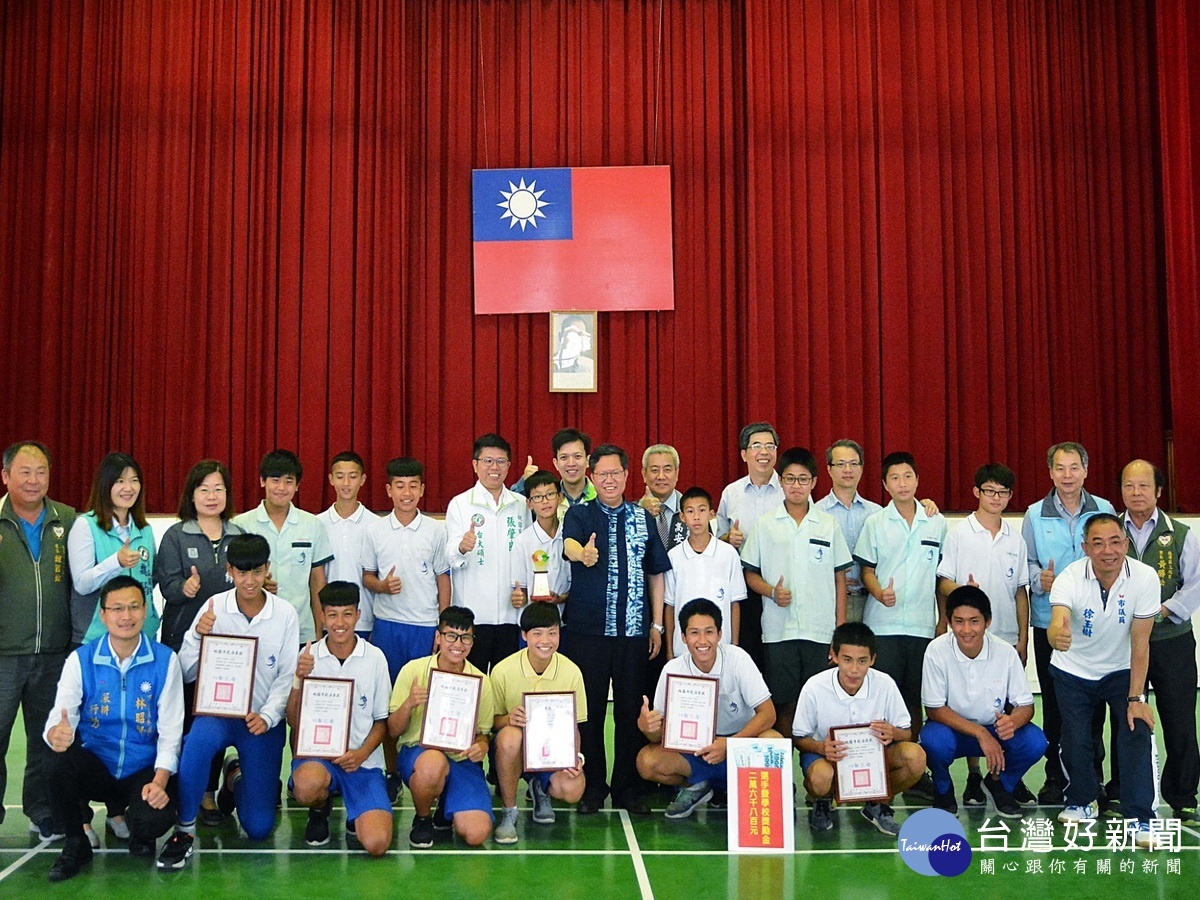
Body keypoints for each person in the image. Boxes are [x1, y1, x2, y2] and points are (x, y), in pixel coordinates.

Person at [157, 534, 300, 870]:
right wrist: (196, 636)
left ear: (267, 569)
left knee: (258, 827)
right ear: (229, 571)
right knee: (196, 743)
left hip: (260, 721)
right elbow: (185, 671)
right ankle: (185, 830)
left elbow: (286, 675)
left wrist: (267, 715)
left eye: (256, 572)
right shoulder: (213, 607)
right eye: (241, 572)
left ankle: (234, 777)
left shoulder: (285, 614)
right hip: (219, 714)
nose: (249, 581)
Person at [42, 576, 183, 881]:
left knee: (153, 819)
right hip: (98, 766)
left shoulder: (165, 660)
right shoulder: (81, 659)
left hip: (142, 769)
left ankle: (138, 828)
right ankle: (75, 843)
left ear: (145, 610)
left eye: (134, 607)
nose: (126, 616)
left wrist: (159, 782)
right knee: (55, 759)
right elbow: (61, 713)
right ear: (102, 614)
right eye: (117, 608)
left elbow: (171, 731)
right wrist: (57, 733)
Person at [563, 443, 670, 815]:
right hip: (586, 632)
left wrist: (656, 624)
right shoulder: (578, 515)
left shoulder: (644, 519)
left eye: (615, 473)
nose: (609, 480)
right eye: (602, 474)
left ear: (627, 476)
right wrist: (583, 554)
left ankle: (627, 787)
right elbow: (569, 547)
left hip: (633, 631)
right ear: (591, 478)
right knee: (589, 711)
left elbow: (656, 573)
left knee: (630, 710)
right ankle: (593, 786)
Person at [1047, 513, 1159, 847]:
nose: (1107, 550)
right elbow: (1058, 618)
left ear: (1125, 544)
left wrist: (1136, 699)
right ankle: (1082, 799)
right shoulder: (1069, 576)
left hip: (1121, 669)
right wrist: (1056, 634)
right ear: (1085, 547)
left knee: (1136, 730)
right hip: (1073, 670)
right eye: (1097, 543)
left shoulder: (1145, 578)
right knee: (1076, 736)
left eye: (1114, 542)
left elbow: (1140, 643)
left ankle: (1141, 818)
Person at [1021, 441, 1115, 804]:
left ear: (1086, 471)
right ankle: (1054, 778)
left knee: (1095, 708)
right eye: (1060, 468)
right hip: (1050, 624)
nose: (1067, 475)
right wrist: (1037, 581)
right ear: (1050, 472)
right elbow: (1026, 563)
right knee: (1057, 706)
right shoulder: (1034, 514)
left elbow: (1114, 557)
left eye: (1074, 467)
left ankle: (1093, 777)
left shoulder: (1104, 510)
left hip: (1096, 626)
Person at [935, 462, 1032, 808]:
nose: (996, 498)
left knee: (1001, 712)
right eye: (989, 491)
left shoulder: (1015, 538)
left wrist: (1023, 637)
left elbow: (1021, 590)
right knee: (966, 700)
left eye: (1003, 492)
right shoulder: (960, 533)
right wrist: (963, 589)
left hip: (1003, 635)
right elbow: (942, 581)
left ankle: (1001, 777)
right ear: (977, 492)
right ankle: (974, 776)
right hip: (966, 633)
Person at [154, 458, 244, 826]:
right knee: (184, 720)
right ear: (191, 495)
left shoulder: (239, 535)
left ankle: (207, 792)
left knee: (214, 719)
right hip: (184, 644)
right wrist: (182, 588)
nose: (211, 496)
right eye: (204, 489)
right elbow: (165, 584)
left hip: (228, 649)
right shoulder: (177, 535)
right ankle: (176, 789)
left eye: (218, 489)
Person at [741, 448, 851, 739]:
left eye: (803, 479)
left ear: (814, 482)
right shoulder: (766, 524)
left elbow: (840, 579)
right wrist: (771, 592)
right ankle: (784, 779)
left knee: (822, 705)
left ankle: (823, 779)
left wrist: (839, 630)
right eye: (790, 479)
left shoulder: (828, 525)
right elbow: (749, 574)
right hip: (779, 633)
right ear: (781, 481)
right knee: (784, 707)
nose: (796, 486)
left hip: (820, 632)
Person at [637, 599, 778, 819]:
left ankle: (739, 788)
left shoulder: (738, 659)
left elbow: (768, 714)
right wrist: (647, 726)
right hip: (695, 751)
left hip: (738, 746)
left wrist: (730, 744)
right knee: (646, 762)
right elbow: (658, 735)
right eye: (694, 633)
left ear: (720, 634)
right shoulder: (673, 669)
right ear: (683, 637)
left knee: (774, 742)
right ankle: (697, 786)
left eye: (709, 632)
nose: (702, 641)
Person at [0, 440, 76, 840]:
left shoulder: (68, 519)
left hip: (54, 654)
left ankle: (42, 809)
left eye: (41, 472)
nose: (33, 480)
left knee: (45, 738)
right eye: (25, 472)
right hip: (3, 654)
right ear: (6, 476)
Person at [361, 457, 450, 796]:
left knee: (427, 703)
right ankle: (392, 772)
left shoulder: (435, 530)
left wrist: (441, 630)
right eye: (400, 486)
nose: (407, 492)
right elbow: (367, 576)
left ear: (423, 489)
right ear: (388, 490)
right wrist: (382, 586)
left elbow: (444, 579)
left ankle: (430, 772)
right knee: (389, 707)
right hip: (387, 627)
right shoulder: (375, 530)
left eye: (413, 485)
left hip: (425, 627)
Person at [1118, 460, 1199, 824]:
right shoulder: (1108, 532)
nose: (1137, 493)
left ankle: (1183, 795)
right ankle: (1123, 790)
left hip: (1171, 640)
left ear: (1158, 491)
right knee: (1127, 718)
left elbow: (1195, 584)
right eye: (1129, 486)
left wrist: (1161, 611)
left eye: (1144, 486)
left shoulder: (1179, 533)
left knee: (1179, 719)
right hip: (1122, 644)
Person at [919, 585, 1047, 817]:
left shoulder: (1005, 652)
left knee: (1035, 741)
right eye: (958, 621)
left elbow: (1026, 705)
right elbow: (934, 709)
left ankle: (1000, 784)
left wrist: (1012, 722)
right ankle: (943, 789)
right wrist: (981, 733)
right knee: (932, 741)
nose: (966, 630)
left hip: (994, 729)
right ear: (948, 621)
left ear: (987, 622)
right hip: (952, 732)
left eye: (974, 621)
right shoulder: (935, 651)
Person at [852, 452, 946, 766]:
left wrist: (942, 621)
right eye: (894, 478)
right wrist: (878, 592)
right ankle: (875, 768)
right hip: (883, 626)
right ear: (884, 484)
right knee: (880, 700)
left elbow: (941, 579)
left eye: (908, 476)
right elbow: (866, 569)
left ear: (917, 480)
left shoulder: (936, 521)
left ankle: (915, 770)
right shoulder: (875, 522)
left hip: (921, 626)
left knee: (914, 700)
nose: (902, 484)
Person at [287, 581, 393, 856]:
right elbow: (293, 720)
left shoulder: (375, 658)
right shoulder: (308, 657)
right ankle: (320, 809)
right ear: (322, 616)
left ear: (358, 615)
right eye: (332, 614)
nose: (339, 623)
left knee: (377, 843)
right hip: (320, 758)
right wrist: (299, 679)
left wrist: (360, 754)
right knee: (307, 786)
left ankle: (355, 814)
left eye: (347, 614)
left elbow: (382, 722)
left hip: (363, 762)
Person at [793, 622, 925, 835]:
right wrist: (821, 748)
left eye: (862, 661)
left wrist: (893, 732)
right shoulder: (814, 687)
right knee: (820, 777)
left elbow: (906, 732)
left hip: (872, 759)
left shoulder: (885, 684)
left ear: (873, 659)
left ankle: (876, 802)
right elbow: (800, 737)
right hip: (828, 758)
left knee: (915, 757)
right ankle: (823, 802)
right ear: (833, 656)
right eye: (847, 660)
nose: (854, 669)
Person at [388, 607, 494, 849]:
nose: (458, 644)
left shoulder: (480, 681)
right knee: (434, 764)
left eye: (465, 637)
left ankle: (446, 807)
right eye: (451, 636)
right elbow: (393, 730)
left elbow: (483, 734)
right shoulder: (413, 670)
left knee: (476, 833)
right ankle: (423, 818)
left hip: (461, 759)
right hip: (420, 754)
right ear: (438, 637)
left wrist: (481, 746)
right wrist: (409, 704)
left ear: (472, 641)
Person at [490, 603, 586, 843]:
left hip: (550, 754)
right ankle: (509, 812)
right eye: (537, 633)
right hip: (513, 752)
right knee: (509, 736)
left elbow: (574, 726)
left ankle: (540, 789)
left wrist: (576, 757)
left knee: (573, 788)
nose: (546, 640)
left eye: (552, 633)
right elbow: (489, 722)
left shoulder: (571, 671)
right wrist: (508, 719)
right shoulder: (503, 670)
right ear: (524, 635)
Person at [444, 434, 531, 671]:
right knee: (475, 687)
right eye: (487, 461)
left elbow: (528, 555)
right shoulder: (460, 504)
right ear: (475, 464)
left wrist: (524, 592)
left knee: (506, 687)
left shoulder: (521, 504)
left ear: (509, 466)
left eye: (501, 461)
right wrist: (463, 547)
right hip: (473, 616)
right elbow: (450, 556)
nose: (494, 467)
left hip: (511, 614)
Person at [232, 450, 333, 644]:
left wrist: (318, 627)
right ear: (262, 481)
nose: (281, 487)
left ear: (297, 486)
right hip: (252, 626)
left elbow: (317, 580)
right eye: (275, 480)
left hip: (301, 628)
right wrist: (257, 584)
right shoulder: (241, 524)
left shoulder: (312, 525)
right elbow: (232, 576)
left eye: (288, 481)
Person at [68, 452, 159, 648]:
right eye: (120, 481)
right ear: (105, 485)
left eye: (134, 480)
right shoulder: (86, 526)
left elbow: (151, 579)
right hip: (97, 637)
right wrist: (116, 562)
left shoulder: (144, 530)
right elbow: (82, 584)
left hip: (142, 635)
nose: (128, 488)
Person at [716, 422, 783, 671]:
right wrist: (727, 540)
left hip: (782, 585)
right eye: (756, 446)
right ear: (744, 454)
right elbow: (716, 540)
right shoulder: (731, 493)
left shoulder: (791, 490)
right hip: (743, 589)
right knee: (749, 654)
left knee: (778, 659)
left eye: (770, 446)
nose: (764, 452)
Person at [664, 487, 745, 660]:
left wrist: (735, 646)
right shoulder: (673, 557)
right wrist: (670, 650)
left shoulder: (728, 554)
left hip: (722, 649)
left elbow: (734, 603)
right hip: (683, 650)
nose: (697, 517)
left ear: (712, 514)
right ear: (682, 517)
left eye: (702, 510)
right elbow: (669, 606)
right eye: (690, 511)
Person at [816, 440, 883, 624]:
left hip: (871, 602)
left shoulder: (877, 513)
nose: (848, 470)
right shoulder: (815, 513)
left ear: (862, 468)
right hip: (830, 602)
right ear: (829, 469)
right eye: (840, 464)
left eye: (854, 464)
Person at [320, 451, 379, 638]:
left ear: (362, 480)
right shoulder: (317, 524)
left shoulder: (376, 525)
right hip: (326, 620)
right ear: (331, 479)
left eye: (352, 477)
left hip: (365, 619)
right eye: (340, 476)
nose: (346, 483)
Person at [509, 469, 570, 617]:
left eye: (550, 494)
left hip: (566, 620)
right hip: (534, 622)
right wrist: (518, 597)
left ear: (560, 497)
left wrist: (561, 598)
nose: (544, 501)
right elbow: (520, 589)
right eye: (537, 497)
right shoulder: (523, 541)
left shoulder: (570, 537)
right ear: (529, 503)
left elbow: (578, 583)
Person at [639, 444, 687, 551]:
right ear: (644, 474)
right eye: (655, 470)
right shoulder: (631, 513)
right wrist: (640, 514)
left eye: (667, 470)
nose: (661, 476)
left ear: (677, 473)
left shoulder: (691, 510)